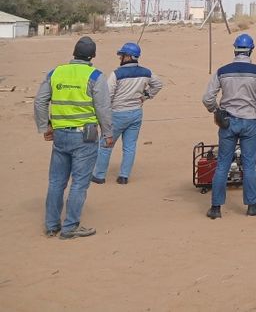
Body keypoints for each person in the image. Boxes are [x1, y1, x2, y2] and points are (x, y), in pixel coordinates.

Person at [34, 36, 114, 239]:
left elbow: (40, 102)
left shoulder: (56, 72)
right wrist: (108, 133)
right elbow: (103, 109)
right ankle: (70, 227)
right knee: (79, 182)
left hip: (60, 135)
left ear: (74, 53)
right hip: (85, 137)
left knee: (56, 181)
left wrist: (46, 127)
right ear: (92, 55)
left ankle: (52, 225)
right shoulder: (95, 76)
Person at [202, 33, 256, 219]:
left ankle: (216, 208)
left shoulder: (222, 71)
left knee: (223, 163)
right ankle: (252, 205)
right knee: (249, 164)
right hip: (250, 122)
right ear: (251, 50)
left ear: (235, 49)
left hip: (228, 122)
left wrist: (216, 110)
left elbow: (207, 98)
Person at [91, 41, 163, 185]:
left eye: (122, 55)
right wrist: (146, 96)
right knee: (129, 147)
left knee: (106, 144)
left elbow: (107, 95)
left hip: (117, 114)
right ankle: (124, 176)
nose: (120, 58)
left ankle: (99, 175)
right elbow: (158, 84)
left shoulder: (117, 74)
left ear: (128, 57)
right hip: (136, 113)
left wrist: (104, 113)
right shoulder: (146, 72)